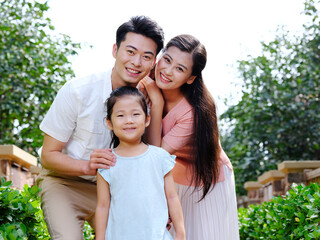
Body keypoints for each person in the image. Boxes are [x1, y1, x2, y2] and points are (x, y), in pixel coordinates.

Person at [36, 16, 164, 239]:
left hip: (116, 191)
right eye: (130, 52)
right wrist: (87, 166)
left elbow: (152, 154)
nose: (136, 62)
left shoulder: (149, 99)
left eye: (146, 57)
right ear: (115, 50)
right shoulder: (78, 91)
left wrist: (158, 103)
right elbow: (48, 156)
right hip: (66, 183)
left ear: (153, 63)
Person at [139, 34, 240, 240]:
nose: (167, 71)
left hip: (208, 180)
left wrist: (156, 102)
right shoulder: (147, 78)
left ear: (191, 78)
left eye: (180, 69)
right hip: (174, 175)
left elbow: (155, 157)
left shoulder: (192, 114)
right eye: (167, 60)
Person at [95, 86, 185, 240]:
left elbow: (172, 197)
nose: (129, 120)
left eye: (136, 114)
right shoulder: (107, 163)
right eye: (121, 115)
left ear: (147, 119)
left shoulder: (160, 157)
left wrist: (181, 233)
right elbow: (103, 206)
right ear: (109, 123)